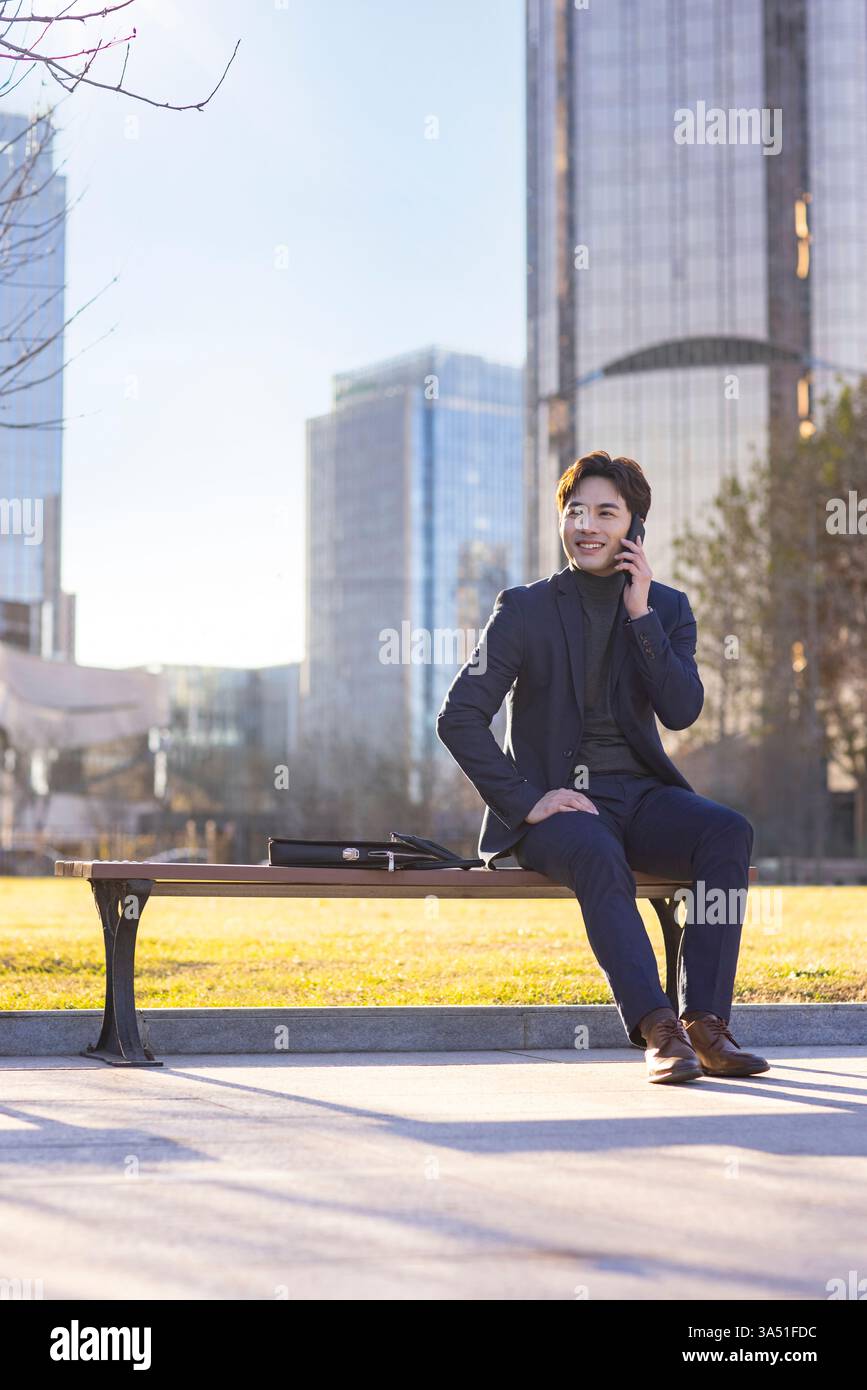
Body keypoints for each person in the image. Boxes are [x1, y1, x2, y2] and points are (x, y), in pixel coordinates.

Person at [436, 449, 768, 1084]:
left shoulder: (667, 608)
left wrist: (640, 615)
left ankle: (706, 1025)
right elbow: (459, 717)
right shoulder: (523, 609)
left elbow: (681, 710)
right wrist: (527, 799)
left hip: (642, 797)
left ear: (633, 530)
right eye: (574, 511)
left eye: (604, 513)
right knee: (594, 849)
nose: (585, 525)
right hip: (557, 808)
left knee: (727, 831)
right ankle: (657, 1028)